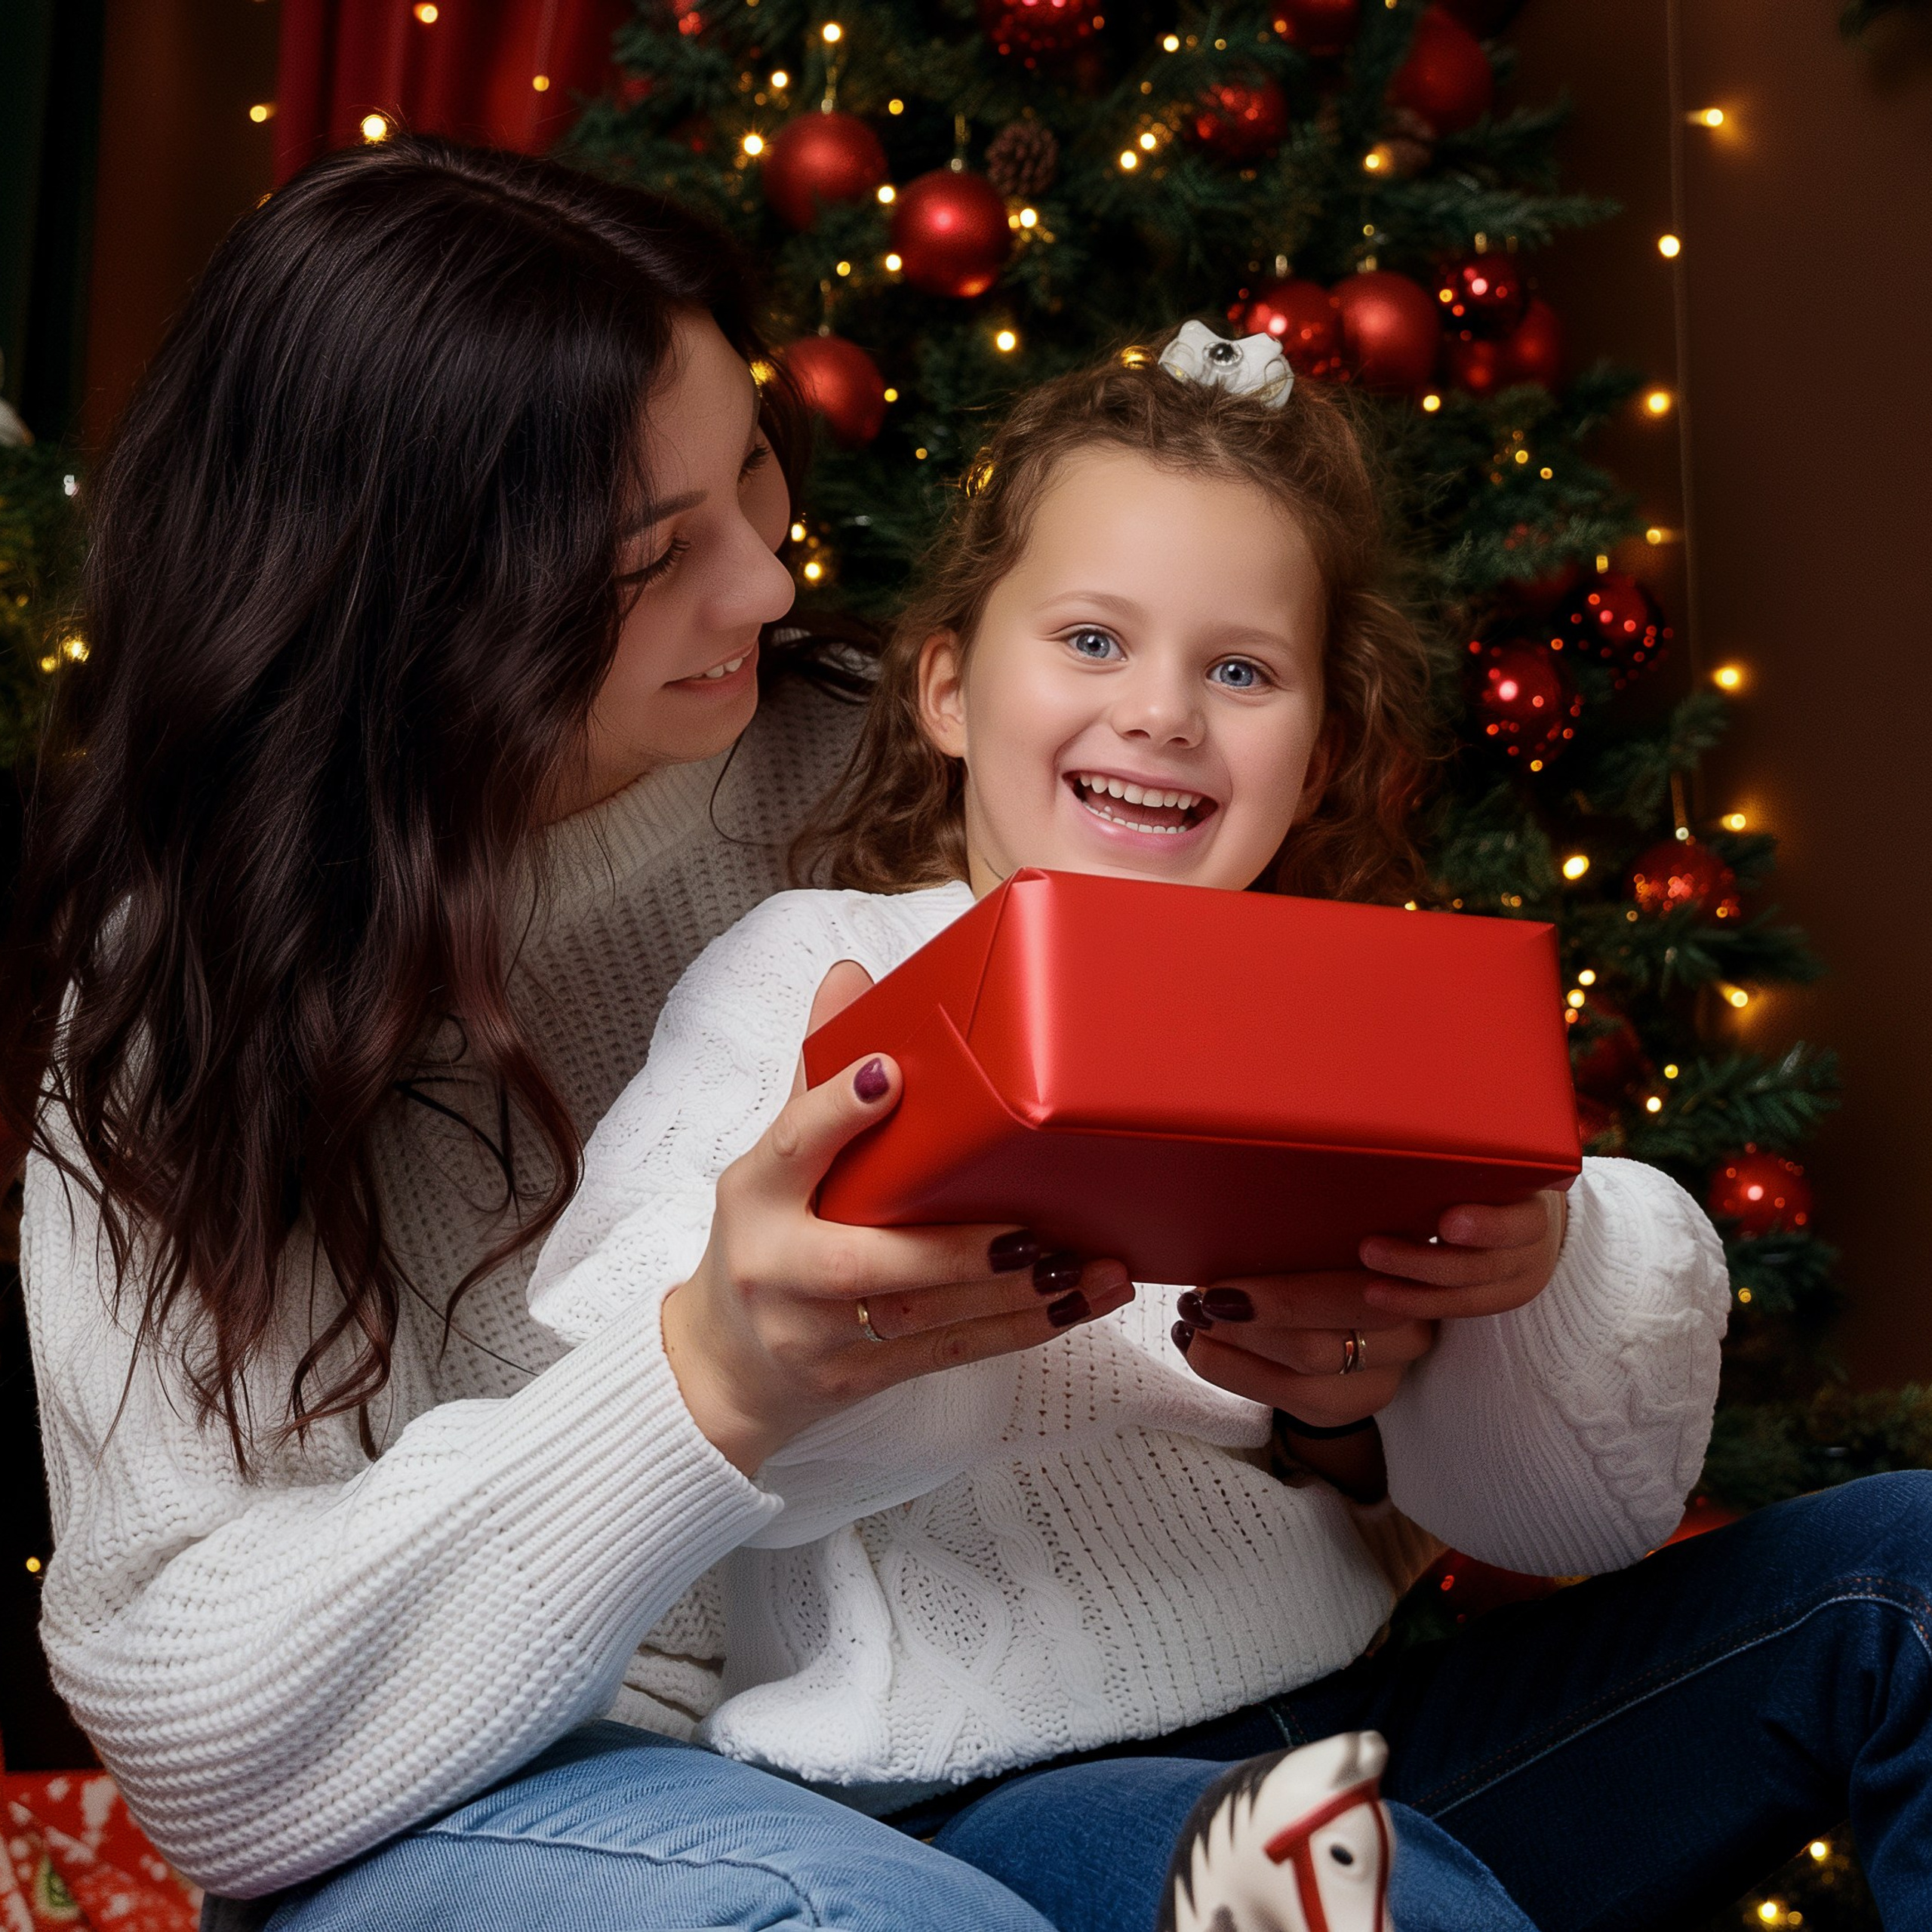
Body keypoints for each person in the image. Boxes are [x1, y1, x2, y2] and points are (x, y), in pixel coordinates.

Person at [7, 136, 1926, 1932]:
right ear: (420, 609)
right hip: (712, 1778)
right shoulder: (188, 1020)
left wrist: (1386, 1375)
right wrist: (710, 1377)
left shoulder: (954, 756)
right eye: (649, 554)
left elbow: (1437, 1417)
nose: (769, 580)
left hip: (1290, 1713)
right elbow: (206, 1738)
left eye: (753, 475)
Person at [512, 328, 1932, 1932]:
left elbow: (1571, 1514)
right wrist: (814, 1278)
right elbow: (606, 1392)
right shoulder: (806, 976)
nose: (1165, 713)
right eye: (1093, 639)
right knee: (1346, 1882)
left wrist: (1533, 1260)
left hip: (1374, 1726)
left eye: (1240, 669)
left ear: (1313, 750)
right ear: (950, 687)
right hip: (1003, 1792)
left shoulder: (1348, 1006)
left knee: (1907, 1566)